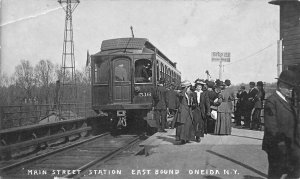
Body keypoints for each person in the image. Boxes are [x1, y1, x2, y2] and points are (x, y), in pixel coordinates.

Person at [262, 70, 300, 179]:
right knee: (276, 174)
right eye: (288, 87)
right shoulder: (272, 101)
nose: (290, 90)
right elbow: (271, 126)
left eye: (292, 88)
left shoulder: (289, 101)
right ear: (280, 86)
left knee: (294, 172)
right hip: (277, 145)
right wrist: (282, 145)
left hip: (291, 145)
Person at [174, 80, 194, 144]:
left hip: (188, 110)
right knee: (182, 125)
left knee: (188, 124)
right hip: (182, 110)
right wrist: (184, 90)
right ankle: (182, 139)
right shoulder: (180, 93)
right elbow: (181, 95)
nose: (189, 88)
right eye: (188, 87)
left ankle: (187, 138)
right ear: (186, 87)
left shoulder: (190, 93)